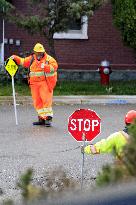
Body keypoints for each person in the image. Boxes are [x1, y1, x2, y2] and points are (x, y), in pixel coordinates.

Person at [10, 43, 58, 127]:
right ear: (34, 52)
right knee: (37, 102)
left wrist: (46, 67)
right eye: (37, 52)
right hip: (34, 84)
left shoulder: (49, 59)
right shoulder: (32, 58)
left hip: (45, 83)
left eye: (40, 52)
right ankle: (41, 118)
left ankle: (48, 119)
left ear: (43, 52)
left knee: (46, 100)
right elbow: (23, 61)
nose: (39, 54)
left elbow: (54, 67)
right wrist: (15, 58)